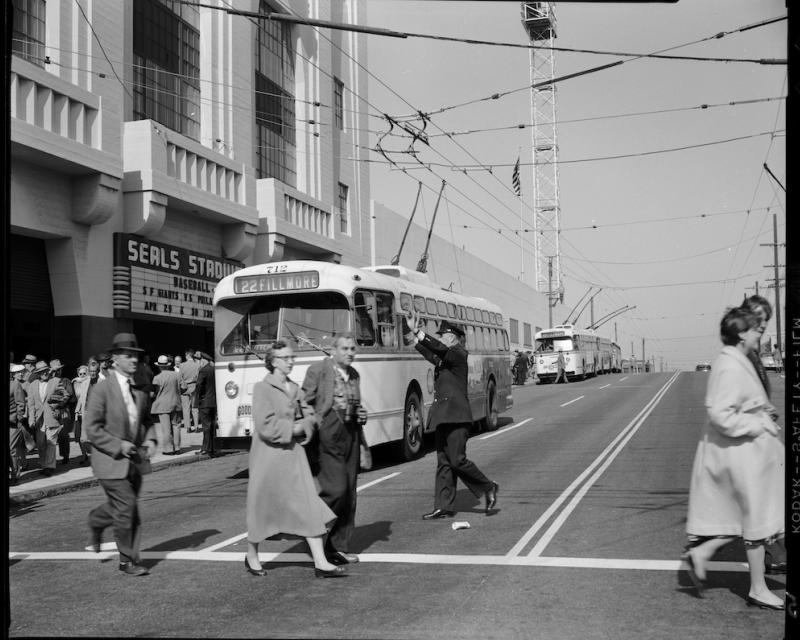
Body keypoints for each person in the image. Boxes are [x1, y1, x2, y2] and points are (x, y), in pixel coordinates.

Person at [683, 307, 784, 610]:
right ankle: (757, 588)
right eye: (756, 330)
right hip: (743, 455)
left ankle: (705, 556)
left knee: (751, 521)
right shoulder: (729, 365)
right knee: (755, 522)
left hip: (750, 454)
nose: (760, 335)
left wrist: (763, 413)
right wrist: (755, 425)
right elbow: (720, 413)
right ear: (741, 333)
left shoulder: (737, 361)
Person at [245, 340, 346, 578]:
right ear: (273, 362)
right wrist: (297, 428)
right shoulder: (263, 389)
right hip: (268, 461)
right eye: (286, 358)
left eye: (292, 357)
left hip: (294, 459)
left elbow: (309, 414)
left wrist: (307, 425)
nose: (291, 361)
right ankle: (251, 554)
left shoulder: (295, 387)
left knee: (310, 509)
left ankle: (320, 562)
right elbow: (265, 425)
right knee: (262, 512)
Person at [403, 311, 498, 519]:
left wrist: (419, 332)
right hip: (444, 418)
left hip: (457, 418)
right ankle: (443, 505)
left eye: (443, 336)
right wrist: (413, 336)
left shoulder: (458, 354)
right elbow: (432, 354)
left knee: (457, 461)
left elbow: (438, 349)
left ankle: (488, 487)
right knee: (444, 462)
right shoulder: (446, 358)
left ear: (452, 337)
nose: (441, 339)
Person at [84, 333, 158, 577]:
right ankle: (127, 560)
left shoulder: (139, 389)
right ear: (115, 359)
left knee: (128, 508)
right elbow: (92, 429)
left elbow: (147, 420)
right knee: (126, 507)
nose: (134, 360)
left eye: (136, 355)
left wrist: (151, 439)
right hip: (110, 461)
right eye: (128, 355)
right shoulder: (102, 389)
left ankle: (97, 519)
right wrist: (120, 445)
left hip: (135, 461)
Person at [301, 333, 368, 565]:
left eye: (353, 349)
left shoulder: (354, 375)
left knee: (349, 493)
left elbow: (356, 404)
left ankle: (337, 547)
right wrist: (311, 425)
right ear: (334, 350)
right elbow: (304, 401)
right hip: (327, 435)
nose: (350, 353)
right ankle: (312, 530)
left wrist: (361, 415)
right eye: (345, 348)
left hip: (350, 435)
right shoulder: (318, 370)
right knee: (336, 489)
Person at [739, 294, 786, 574]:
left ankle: (774, 551)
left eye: (765, 320)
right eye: (757, 318)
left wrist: (767, 409)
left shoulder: (754, 351)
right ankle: (772, 554)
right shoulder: (742, 352)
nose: (763, 324)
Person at [27, 361, 61, 476]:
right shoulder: (32, 385)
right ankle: (43, 464)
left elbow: (64, 396)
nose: (44, 373)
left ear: (49, 370)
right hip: (39, 418)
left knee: (51, 441)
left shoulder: (55, 381)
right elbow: (30, 404)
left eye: (46, 371)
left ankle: (50, 466)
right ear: (38, 373)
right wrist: (31, 418)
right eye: (41, 372)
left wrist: (57, 407)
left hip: (51, 416)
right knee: (41, 443)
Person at [151, 355, 183, 455]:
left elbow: (153, 393)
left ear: (159, 366)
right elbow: (184, 387)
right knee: (176, 426)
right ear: (168, 365)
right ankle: (177, 448)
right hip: (175, 403)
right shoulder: (176, 375)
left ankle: (169, 449)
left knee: (166, 428)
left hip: (162, 405)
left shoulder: (157, 378)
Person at [49, 359, 75, 465]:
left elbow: (70, 395)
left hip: (63, 410)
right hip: (51, 410)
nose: (58, 372)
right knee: (51, 436)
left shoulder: (66, 381)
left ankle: (65, 456)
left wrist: (60, 403)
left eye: (59, 370)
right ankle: (50, 460)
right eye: (56, 370)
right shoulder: (48, 382)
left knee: (63, 435)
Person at [194, 351, 217, 456]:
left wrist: (197, 397)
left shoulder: (203, 371)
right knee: (212, 425)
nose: (198, 363)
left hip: (204, 402)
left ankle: (205, 448)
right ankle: (213, 447)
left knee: (206, 426)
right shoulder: (213, 369)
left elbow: (198, 385)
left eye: (198, 360)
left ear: (203, 360)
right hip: (213, 401)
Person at [9, 364, 28, 484]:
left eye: (22, 372)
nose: (21, 374)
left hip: (13, 422)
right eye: (18, 372)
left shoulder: (15, 385)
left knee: (12, 449)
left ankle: (15, 475)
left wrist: (19, 420)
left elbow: (20, 404)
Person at [179, 349, 200, 432]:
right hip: (194, 387)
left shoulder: (182, 365)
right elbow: (199, 378)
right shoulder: (197, 365)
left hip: (184, 388)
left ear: (187, 355)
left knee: (185, 408)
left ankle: (188, 427)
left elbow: (180, 378)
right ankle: (196, 427)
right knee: (195, 408)